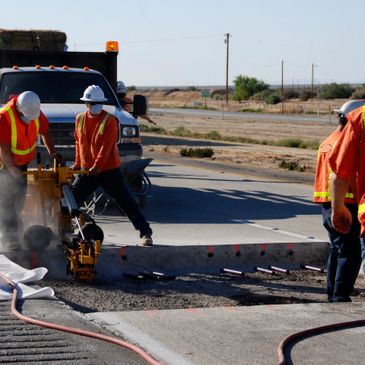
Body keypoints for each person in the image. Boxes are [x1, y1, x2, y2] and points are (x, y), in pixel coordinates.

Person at [71, 85, 153, 246]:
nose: (96, 105)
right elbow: (78, 143)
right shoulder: (80, 119)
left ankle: (145, 232)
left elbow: (106, 147)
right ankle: (67, 229)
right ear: (86, 103)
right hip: (88, 171)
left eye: (99, 102)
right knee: (71, 201)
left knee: (126, 201)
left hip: (108, 171)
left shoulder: (110, 120)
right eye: (92, 102)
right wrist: (78, 162)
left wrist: (97, 166)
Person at [313, 100, 363, 302]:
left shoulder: (327, 141)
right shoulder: (344, 143)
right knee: (350, 253)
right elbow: (343, 175)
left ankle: (332, 293)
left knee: (336, 250)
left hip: (328, 205)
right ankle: (341, 296)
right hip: (346, 205)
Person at [0, 91, 59, 250]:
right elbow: (3, 147)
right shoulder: (5, 117)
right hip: (4, 165)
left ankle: (14, 234)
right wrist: (11, 168)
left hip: (22, 164)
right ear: (19, 108)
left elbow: (46, 132)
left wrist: (53, 152)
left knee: (19, 200)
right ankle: (11, 242)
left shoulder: (35, 112)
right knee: (7, 203)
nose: (29, 121)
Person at [329, 100, 365, 286]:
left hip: (347, 204)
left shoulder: (360, 118)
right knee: (345, 253)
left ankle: (336, 295)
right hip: (349, 204)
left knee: (339, 251)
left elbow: (340, 172)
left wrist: (337, 206)